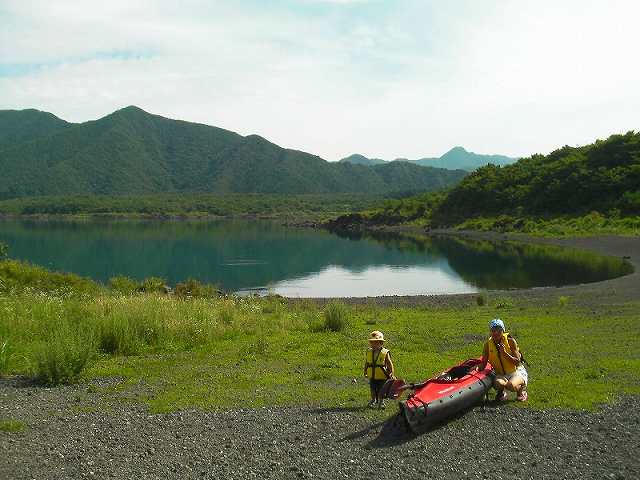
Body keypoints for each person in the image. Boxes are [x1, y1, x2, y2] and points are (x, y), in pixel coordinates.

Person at [477, 318, 528, 402]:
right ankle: (501, 393)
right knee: (497, 384)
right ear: (490, 332)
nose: (496, 333)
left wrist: (504, 354)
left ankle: (521, 391)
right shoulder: (487, 345)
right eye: (493, 330)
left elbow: (517, 362)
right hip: (501, 374)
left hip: (516, 372)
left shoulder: (510, 341)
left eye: (499, 330)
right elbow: (483, 363)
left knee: (511, 385)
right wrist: (476, 369)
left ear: (503, 331)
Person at [363, 330, 395, 409]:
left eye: (376, 343)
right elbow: (367, 362)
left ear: (381, 343)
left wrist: (392, 373)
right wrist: (365, 371)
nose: (374, 345)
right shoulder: (369, 352)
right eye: (372, 343)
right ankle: (373, 400)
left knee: (381, 390)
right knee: (372, 389)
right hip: (372, 375)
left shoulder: (385, 352)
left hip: (382, 375)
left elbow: (389, 363)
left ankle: (381, 402)